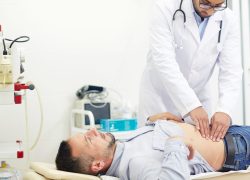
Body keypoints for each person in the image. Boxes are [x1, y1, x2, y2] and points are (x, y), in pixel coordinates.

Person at [138, 0, 243, 141]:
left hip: (199, 95)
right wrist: (191, 105)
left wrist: (224, 110)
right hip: (160, 98)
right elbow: (164, 62)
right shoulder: (165, 7)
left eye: (217, 6)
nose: (210, 11)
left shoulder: (228, 18)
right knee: (156, 150)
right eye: (205, 4)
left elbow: (232, 71)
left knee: (197, 154)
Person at [55, 112, 250, 180]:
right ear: (97, 165)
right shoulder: (134, 165)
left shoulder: (118, 148)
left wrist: (154, 121)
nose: (93, 131)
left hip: (229, 132)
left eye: (87, 133)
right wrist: (176, 143)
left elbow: (149, 142)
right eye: (89, 139)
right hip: (237, 149)